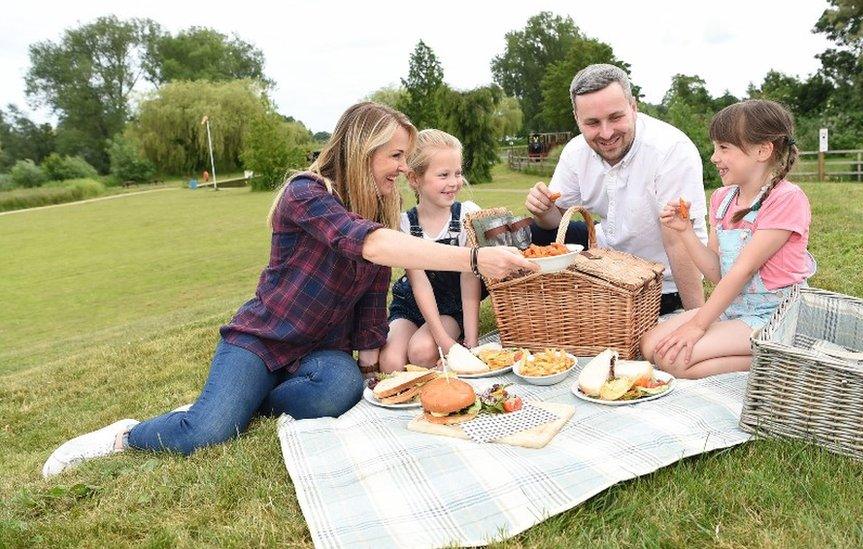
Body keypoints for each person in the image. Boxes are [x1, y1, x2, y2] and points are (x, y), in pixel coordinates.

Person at [42, 102, 536, 478]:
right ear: (362, 150)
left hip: (323, 351)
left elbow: (370, 296)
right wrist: (473, 257)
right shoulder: (307, 193)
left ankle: (245, 401)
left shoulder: (379, 207)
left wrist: (368, 367)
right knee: (209, 432)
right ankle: (130, 433)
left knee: (342, 391)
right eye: (397, 156)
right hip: (261, 340)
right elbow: (365, 246)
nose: (405, 169)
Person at [640, 99, 815, 379]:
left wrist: (698, 325)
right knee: (650, 345)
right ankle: (757, 351)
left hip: (775, 315)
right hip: (733, 309)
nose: (714, 157)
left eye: (723, 148)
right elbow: (718, 273)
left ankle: (782, 358)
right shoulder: (722, 200)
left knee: (674, 361)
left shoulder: (786, 199)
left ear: (762, 150)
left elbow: (743, 271)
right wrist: (684, 232)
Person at [524, 63, 707, 315]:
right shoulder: (576, 152)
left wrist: (696, 317)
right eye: (592, 123)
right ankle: (540, 309)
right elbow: (555, 222)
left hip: (661, 281)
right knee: (531, 230)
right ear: (577, 118)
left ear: (633, 107)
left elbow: (677, 240)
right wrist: (543, 210)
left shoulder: (671, 150)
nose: (606, 133)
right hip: (607, 264)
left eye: (615, 117)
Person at [379, 130, 484, 371]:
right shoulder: (404, 223)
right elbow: (419, 283)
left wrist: (470, 341)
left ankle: (444, 348)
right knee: (389, 363)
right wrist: (444, 343)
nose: (454, 182)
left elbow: (470, 278)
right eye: (443, 175)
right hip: (411, 303)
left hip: (450, 305)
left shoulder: (466, 215)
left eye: (457, 173)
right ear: (415, 179)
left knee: (421, 352)